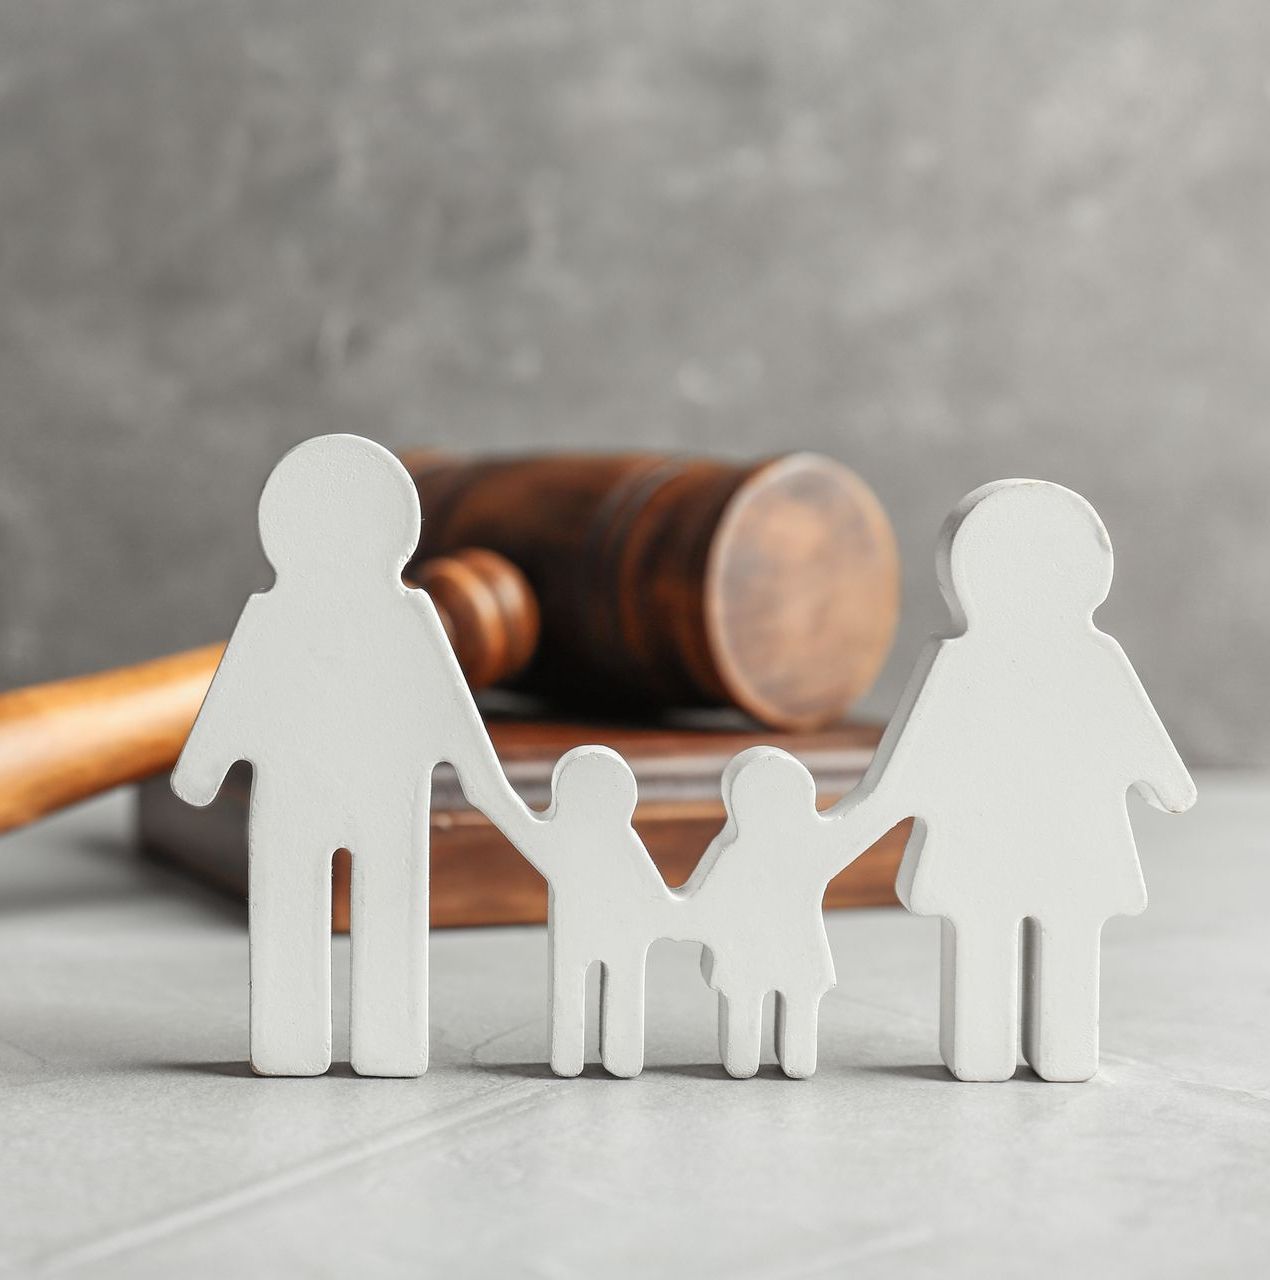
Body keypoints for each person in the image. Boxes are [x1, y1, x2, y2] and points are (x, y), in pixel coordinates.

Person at [171, 434, 526, 1078]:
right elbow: (239, 700)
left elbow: (443, 705)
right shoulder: (281, 617)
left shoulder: (395, 616)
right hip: (324, 797)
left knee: (373, 907)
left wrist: (202, 771)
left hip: (363, 798)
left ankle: (357, 1041)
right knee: (298, 908)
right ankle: (301, 1040)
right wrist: (482, 781)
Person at [835, 479, 1197, 1082]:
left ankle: (1043, 1050)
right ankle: (1002, 1052)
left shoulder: (1080, 659)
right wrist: (1166, 786)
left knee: (1046, 934)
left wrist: (865, 817)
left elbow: (903, 774)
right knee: (1002, 934)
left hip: (1030, 844)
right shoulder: (980, 662)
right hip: (1044, 843)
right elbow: (911, 763)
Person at [685, 747, 876, 1079]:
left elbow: (702, 899)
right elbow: (858, 827)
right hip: (781, 953)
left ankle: (762, 1059)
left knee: (775, 1001)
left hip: (767, 954)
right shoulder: (760, 850)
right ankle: (762, 1059)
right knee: (769, 1002)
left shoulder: (741, 851)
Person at [509, 746, 680, 1078]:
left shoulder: (607, 840)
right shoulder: (604, 839)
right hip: (602, 935)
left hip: (604, 935)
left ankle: (599, 1055)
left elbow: (651, 888)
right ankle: (591, 1056)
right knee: (592, 989)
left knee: (599, 989)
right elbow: (654, 890)